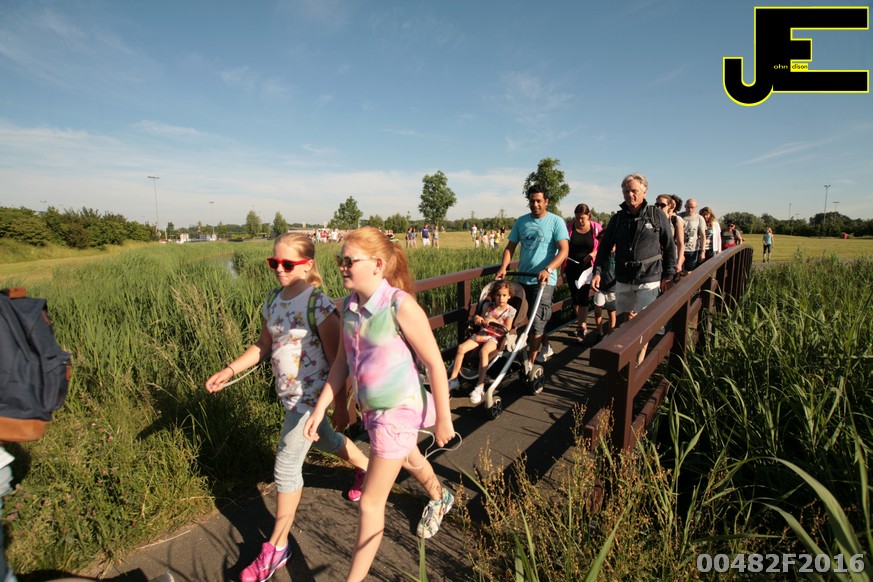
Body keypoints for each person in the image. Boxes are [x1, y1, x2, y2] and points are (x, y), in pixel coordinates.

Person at [205, 233, 369, 582]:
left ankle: (278, 547)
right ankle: (369, 469)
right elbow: (263, 345)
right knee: (327, 441)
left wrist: (341, 406)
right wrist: (229, 370)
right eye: (274, 262)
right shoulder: (273, 300)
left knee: (286, 467)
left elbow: (337, 360)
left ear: (307, 265)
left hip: (311, 400)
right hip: (290, 397)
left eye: (288, 264)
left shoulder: (318, 304)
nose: (279, 269)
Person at [304, 227, 455, 581]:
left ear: (377, 264)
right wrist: (326, 407)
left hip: (397, 412)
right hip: (373, 411)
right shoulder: (350, 307)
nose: (342, 266)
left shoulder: (399, 305)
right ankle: (440, 496)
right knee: (408, 457)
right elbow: (342, 362)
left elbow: (435, 363)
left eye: (349, 261)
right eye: (340, 260)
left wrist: (444, 419)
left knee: (371, 503)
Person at [496, 186, 569, 378]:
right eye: (532, 201)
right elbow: (510, 247)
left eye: (538, 201)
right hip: (522, 279)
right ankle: (543, 346)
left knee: (537, 322)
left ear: (546, 202)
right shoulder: (521, 222)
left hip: (544, 280)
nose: (535, 204)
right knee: (520, 319)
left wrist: (548, 269)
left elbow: (564, 250)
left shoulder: (556, 221)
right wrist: (503, 267)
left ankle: (529, 364)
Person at [591, 173, 677, 334]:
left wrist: (669, 275)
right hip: (623, 279)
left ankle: (641, 352)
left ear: (644, 191)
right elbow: (604, 248)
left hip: (649, 277)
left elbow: (669, 246)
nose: (630, 194)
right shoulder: (618, 219)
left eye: (634, 191)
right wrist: (597, 272)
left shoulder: (656, 215)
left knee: (643, 323)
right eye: (626, 191)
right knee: (625, 324)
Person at [446, 280, 517, 404]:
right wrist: (477, 318)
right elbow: (481, 318)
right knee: (461, 348)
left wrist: (494, 321)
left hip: (496, 337)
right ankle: (454, 379)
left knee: (484, 352)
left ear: (509, 296)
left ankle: (480, 385)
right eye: (498, 295)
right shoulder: (489, 306)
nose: (501, 298)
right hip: (483, 333)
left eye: (504, 295)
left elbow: (508, 328)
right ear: (494, 295)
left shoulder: (510, 310)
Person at [562, 203, 602, 342]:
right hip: (571, 267)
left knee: (583, 297)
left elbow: (605, 245)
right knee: (575, 298)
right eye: (577, 218)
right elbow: (562, 247)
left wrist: (593, 254)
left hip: (587, 268)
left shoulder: (596, 228)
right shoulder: (569, 228)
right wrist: (562, 268)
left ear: (588, 215)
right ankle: (581, 323)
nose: (580, 221)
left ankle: (581, 327)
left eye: (582, 218)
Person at [592, 237, 617, 342]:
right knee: (597, 310)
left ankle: (611, 333)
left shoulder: (620, 255)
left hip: (613, 288)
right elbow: (597, 266)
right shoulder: (602, 254)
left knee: (611, 311)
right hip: (600, 287)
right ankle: (599, 333)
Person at [655, 194, 685, 277]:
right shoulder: (653, 220)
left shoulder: (675, 220)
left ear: (669, 206)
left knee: (670, 283)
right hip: (656, 259)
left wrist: (679, 263)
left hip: (671, 258)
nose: (659, 207)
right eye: (657, 204)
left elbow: (680, 243)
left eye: (662, 205)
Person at [680, 198, 706, 271]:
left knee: (689, 272)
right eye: (688, 207)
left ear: (696, 207)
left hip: (692, 250)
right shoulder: (679, 216)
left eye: (692, 207)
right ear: (685, 206)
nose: (690, 209)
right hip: (679, 249)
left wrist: (703, 251)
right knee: (677, 272)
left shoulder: (699, 218)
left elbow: (703, 235)